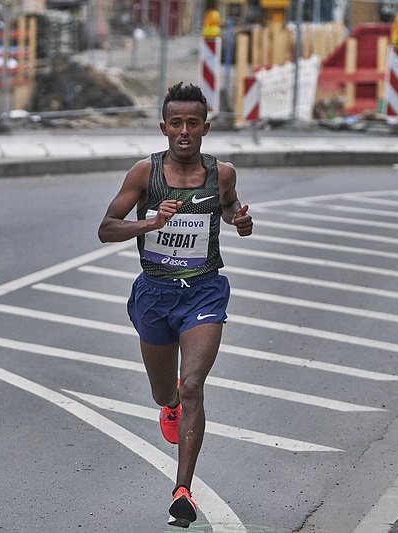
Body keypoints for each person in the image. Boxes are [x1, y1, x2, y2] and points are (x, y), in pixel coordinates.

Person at [97, 82, 253, 528]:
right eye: (176, 123)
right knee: (167, 393)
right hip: (155, 294)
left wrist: (240, 220)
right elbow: (107, 228)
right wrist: (151, 221)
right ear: (164, 127)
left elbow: (228, 208)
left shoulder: (221, 172)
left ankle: (182, 490)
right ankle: (167, 404)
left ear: (205, 126)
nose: (185, 131)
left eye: (193, 123)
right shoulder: (145, 174)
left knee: (193, 387)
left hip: (204, 291)